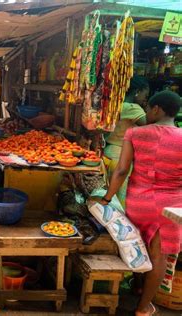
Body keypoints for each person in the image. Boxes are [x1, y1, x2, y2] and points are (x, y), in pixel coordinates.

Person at [91, 91, 182, 316]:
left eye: (149, 108)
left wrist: (107, 198)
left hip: (138, 200)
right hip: (170, 206)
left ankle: (137, 287)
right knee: (158, 255)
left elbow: (121, 171)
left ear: (157, 109)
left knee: (138, 245)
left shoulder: (135, 133)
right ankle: (142, 307)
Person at [104, 75, 149, 207]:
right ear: (137, 91)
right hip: (121, 155)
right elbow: (150, 126)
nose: (145, 99)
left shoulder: (117, 104)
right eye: (145, 95)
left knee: (109, 190)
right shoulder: (133, 108)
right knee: (119, 197)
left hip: (109, 152)